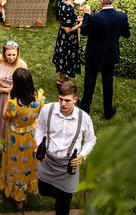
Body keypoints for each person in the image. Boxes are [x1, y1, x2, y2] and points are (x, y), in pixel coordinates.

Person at [35, 81, 96, 215]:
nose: (63, 104)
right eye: (60, 99)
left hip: (68, 166)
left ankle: (62, 198)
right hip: (47, 162)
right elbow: (39, 129)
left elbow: (91, 140)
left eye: (67, 100)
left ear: (75, 99)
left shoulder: (84, 118)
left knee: (63, 205)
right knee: (43, 191)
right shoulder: (47, 110)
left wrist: (82, 155)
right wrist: (38, 145)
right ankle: (58, 192)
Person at [0, 68, 45, 209]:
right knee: (29, 162)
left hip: (16, 138)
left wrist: (8, 98)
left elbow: (5, 117)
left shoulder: (14, 104)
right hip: (32, 134)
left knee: (16, 164)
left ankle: (18, 197)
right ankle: (28, 188)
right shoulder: (40, 97)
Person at [80, 0, 131, 119]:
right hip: (110, 53)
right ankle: (108, 111)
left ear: (102, 1)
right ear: (112, 1)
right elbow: (126, 34)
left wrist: (86, 15)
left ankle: (85, 107)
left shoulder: (94, 17)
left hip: (94, 53)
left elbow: (84, 32)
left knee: (90, 80)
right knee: (108, 82)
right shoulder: (122, 16)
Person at [0, 40, 27, 139]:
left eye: (14, 55)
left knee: (6, 122)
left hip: (11, 98)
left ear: (18, 53)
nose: (11, 57)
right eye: (8, 55)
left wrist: (3, 90)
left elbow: (21, 88)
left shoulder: (22, 65)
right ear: (4, 53)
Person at [53, 0, 83, 87]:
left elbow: (63, 17)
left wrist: (76, 18)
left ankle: (60, 79)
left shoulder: (63, 2)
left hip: (62, 36)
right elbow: (67, 30)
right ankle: (62, 82)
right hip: (67, 38)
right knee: (66, 57)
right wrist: (80, 25)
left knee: (63, 57)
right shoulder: (69, 7)